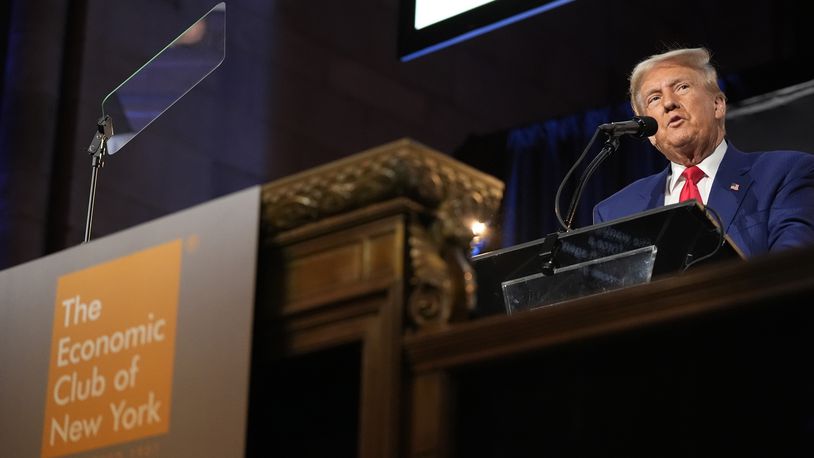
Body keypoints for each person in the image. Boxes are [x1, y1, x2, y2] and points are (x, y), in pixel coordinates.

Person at [593, 47, 814, 258]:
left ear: (717, 105)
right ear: (649, 132)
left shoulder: (785, 174)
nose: (669, 103)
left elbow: (790, 270)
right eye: (654, 98)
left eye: (682, 87)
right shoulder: (615, 212)